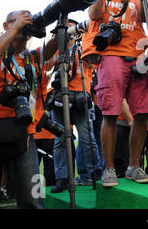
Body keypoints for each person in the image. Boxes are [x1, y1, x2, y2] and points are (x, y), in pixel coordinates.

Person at [0, 10, 57, 208]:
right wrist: (17, 26)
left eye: (27, 22)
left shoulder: (32, 58)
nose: (23, 25)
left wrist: (59, 17)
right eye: (16, 21)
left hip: (23, 136)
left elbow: (50, 51)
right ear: (5, 26)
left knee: (33, 200)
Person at [88, 0, 148, 187]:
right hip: (112, 57)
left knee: (143, 114)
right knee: (110, 113)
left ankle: (133, 166)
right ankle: (108, 169)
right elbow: (94, 14)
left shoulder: (136, 0)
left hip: (138, 59)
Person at [48, 19, 101, 192]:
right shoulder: (57, 48)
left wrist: (84, 39)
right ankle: (62, 178)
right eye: (67, 29)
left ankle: (94, 173)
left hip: (80, 95)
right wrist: (59, 42)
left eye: (73, 28)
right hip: (60, 97)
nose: (70, 32)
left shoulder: (85, 44)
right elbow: (48, 66)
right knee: (60, 140)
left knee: (88, 138)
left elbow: (95, 62)